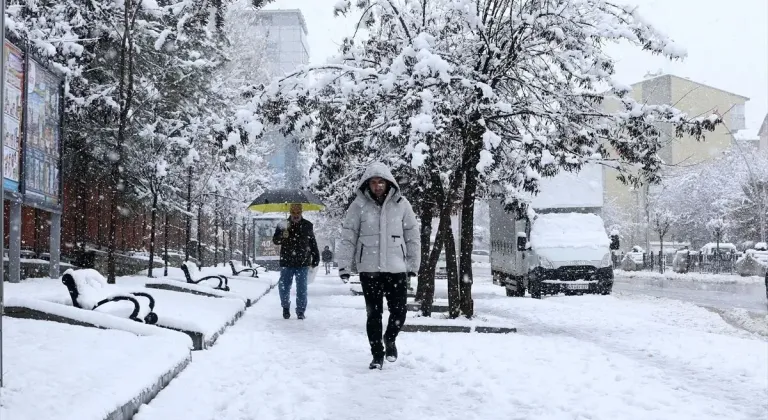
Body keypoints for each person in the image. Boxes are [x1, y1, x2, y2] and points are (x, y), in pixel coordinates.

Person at [337, 162, 420, 370]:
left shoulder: (402, 204)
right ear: (368, 184)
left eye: (381, 182)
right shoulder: (358, 206)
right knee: (374, 314)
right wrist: (344, 266)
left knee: (399, 312)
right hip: (369, 269)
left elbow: (412, 236)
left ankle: (390, 338)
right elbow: (348, 236)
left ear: (388, 183)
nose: (377, 186)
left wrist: (412, 264)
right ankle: (377, 355)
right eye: (373, 182)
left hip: (396, 268)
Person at [273, 203, 320, 320]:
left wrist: (316, 257)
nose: (295, 215)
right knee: (283, 287)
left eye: (298, 212)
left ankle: (300, 311)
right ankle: (285, 307)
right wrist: (282, 236)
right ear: (290, 212)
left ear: (301, 212)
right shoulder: (283, 224)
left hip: (303, 261)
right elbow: (275, 240)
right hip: (286, 261)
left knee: (302, 288)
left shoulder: (307, 225)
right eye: (293, 212)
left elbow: (312, 242)